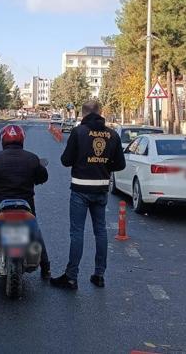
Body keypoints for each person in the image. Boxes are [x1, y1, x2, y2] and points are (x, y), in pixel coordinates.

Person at [51, 101, 126, 290]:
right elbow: (120, 165)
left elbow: (66, 161)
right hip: (101, 189)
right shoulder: (112, 134)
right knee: (100, 231)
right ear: (100, 112)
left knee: (77, 232)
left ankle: (71, 277)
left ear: (83, 114)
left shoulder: (79, 132)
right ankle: (99, 275)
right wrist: (104, 164)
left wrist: (82, 160)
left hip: (80, 189)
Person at [0, 124, 51, 280]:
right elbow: (43, 178)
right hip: (26, 206)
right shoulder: (32, 158)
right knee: (36, 233)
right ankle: (46, 268)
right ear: (22, 139)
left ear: (3, 139)